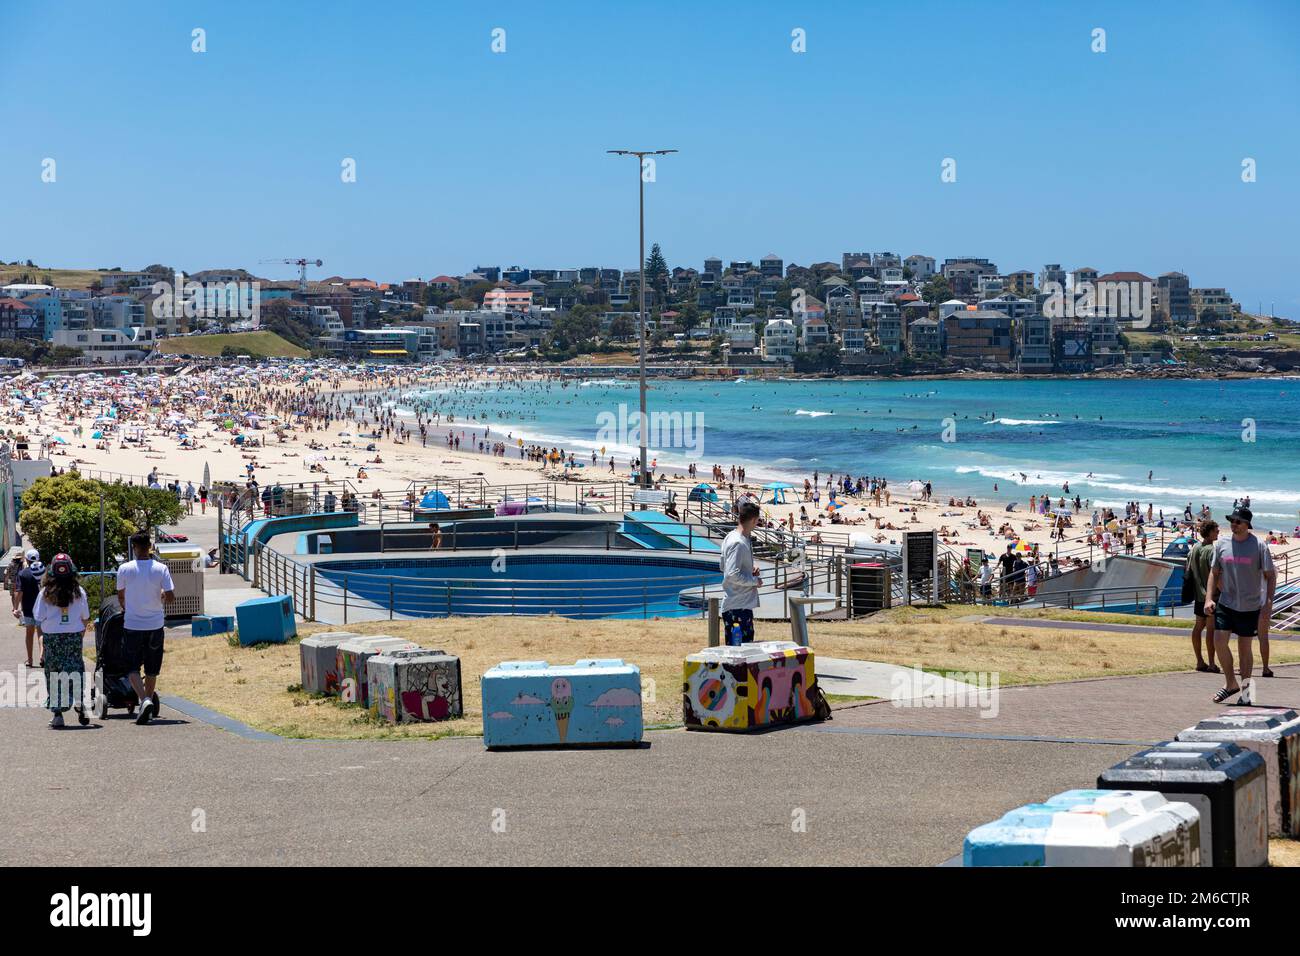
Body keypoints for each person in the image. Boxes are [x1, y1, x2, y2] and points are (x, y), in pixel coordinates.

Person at [1203, 508, 1276, 704]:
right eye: (1232, 520)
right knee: (1219, 641)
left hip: (1250, 605)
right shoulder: (1222, 544)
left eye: (1238, 521)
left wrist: (1268, 602)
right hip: (1226, 602)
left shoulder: (1259, 546)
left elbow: (1270, 576)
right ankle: (1230, 684)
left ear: (1247, 525)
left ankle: (1246, 693)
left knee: (1245, 649)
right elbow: (1214, 572)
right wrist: (1209, 598)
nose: (1233, 524)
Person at [116, 533, 176, 725]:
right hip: (155, 624)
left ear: (134, 547)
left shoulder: (124, 569)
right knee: (152, 667)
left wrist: (128, 607)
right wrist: (161, 596)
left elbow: (121, 596)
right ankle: (147, 705)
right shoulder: (161, 569)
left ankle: (144, 700)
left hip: (133, 623)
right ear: (150, 546)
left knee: (131, 666)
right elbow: (171, 596)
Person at [34, 553, 91, 728]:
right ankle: (79, 701)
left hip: (52, 638)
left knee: (54, 673)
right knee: (74, 669)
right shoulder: (79, 591)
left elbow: (39, 616)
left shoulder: (45, 593)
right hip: (73, 636)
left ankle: (58, 714)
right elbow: (85, 617)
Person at [719, 501, 762, 645]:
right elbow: (731, 574)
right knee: (738, 657)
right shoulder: (737, 542)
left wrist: (750, 568)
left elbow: (723, 566)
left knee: (743, 655)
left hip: (741, 605)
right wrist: (754, 581)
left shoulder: (735, 537)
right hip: (737, 607)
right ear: (754, 520)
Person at [1186, 521, 1221, 674]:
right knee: (1211, 629)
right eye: (1216, 531)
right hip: (1211, 596)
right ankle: (1212, 663)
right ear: (1210, 533)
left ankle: (1199, 660)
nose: (1218, 533)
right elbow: (1216, 574)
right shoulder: (1212, 551)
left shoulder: (1194, 548)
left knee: (1198, 627)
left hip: (1198, 594)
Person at [17, 549, 44, 668]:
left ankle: (30, 660)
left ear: (27, 560)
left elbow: (19, 592)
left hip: (28, 607)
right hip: (42, 608)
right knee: (41, 633)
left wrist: (15, 607)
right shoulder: (43, 572)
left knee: (29, 633)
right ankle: (42, 655)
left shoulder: (23, 573)